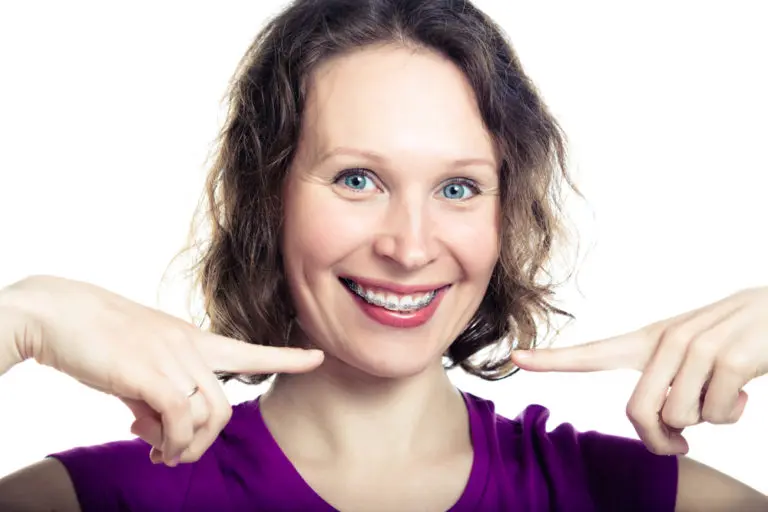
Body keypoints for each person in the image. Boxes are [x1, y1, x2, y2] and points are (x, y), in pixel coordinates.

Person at [0, 0, 766, 510]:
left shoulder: (630, 495)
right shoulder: (94, 498)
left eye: (459, 189)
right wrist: (20, 319)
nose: (409, 246)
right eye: (357, 179)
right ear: (269, 194)